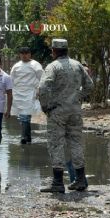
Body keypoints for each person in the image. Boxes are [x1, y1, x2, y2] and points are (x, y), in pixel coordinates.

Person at [39, 38, 93, 193]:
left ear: (54, 51)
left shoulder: (53, 67)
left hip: (57, 111)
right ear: (67, 50)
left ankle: (57, 183)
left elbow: (43, 88)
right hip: (75, 110)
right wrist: (78, 97)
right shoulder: (78, 65)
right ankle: (80, 180)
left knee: (56, 144)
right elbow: (90, 85)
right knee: (76, 143)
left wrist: (45, 106)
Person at [10, 47, 44, 144]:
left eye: (26, 53)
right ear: (19, 55)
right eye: (22, 53)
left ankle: (24, 137)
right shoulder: (16, 66)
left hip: (30, 93)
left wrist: (39, 90)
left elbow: (42, 79)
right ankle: (28, 137)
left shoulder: (36, 65)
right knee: (23, 116)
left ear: (30, 54)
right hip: (18, 94)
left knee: (25, 116)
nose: (24, 55)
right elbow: (11, 80)